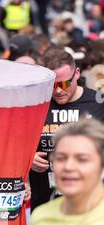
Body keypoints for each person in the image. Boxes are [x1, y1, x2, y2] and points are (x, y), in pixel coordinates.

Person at [30, 47, 104, 211]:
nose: (58, 90)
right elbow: (14, 143)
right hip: (44, 203)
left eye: (64, 84)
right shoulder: (35, 104)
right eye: (52, 84)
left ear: (77, 73)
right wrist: (28, 158)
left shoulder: (98, 103)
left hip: (89, 204)